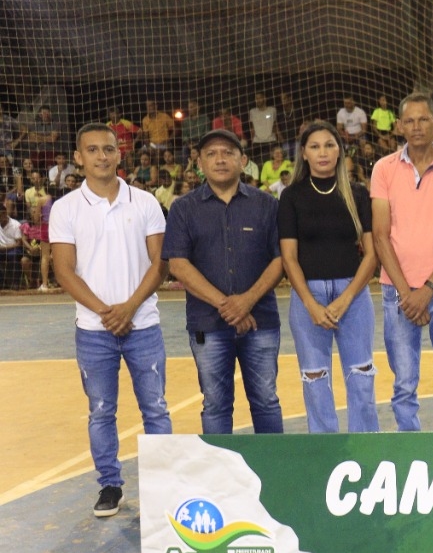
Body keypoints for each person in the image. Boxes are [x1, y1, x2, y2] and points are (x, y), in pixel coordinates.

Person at [49, 123, 171, 517]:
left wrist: (129, 308)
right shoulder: (66, 208)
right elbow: (64, 271)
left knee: (155, 407)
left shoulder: (145, 202)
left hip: (143, 323)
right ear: (79, 157)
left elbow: (160, 264)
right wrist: (107, 312)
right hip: (94, 330)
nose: (102, 156)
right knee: (102, 410)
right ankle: (109, 485)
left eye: (109, 149)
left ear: (119, 154)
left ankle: (162, 485)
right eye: (93, 150)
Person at [163, 129, 284, 434]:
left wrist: (246, 302)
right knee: (215, 404)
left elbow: (281, 260)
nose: (220, 159)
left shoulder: (267, 205)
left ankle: (274, 476)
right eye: (211, 154)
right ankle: (220, 480)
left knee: (266, 401)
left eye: (228, 153)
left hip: (261, 321)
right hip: (208, 324)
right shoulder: (183, 209)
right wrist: (228, 306)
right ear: (199, 163)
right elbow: (178, 264)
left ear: (243, 161)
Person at [370, 93, 433, 431]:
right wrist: (407, 293)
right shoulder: (383, 168)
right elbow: (380, 235)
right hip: (396, 292)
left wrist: (427, 289)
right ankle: (407, 445)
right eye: (410, 121)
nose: (416, 126)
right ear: (399, 126)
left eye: (423, 119)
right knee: (403, 383)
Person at [279, 121, 380, 433]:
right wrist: (310, 304)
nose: (322, 152)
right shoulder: (291, 197)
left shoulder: (359, 194)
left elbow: (373, 254)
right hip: (308, 296)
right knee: (314, 377)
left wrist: (346, 298)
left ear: (340, 151)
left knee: (362, 375)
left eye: (329, 145)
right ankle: (324, 448)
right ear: (304, 155)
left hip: (354, 295)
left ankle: (366, 446)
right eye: (314, 146)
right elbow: (289, 258)